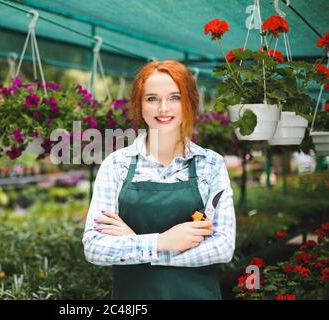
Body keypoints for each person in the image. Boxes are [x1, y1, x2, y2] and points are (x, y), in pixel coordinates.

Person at [82, 60, 236, 300]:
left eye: (175, 97)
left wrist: (140, 246)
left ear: (189, 103)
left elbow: (223, 247)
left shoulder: (211, 165)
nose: (163, 108)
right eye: (152, 98)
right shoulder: (116, 166)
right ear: (140, 106)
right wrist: (163, 241)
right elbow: (94, 247)